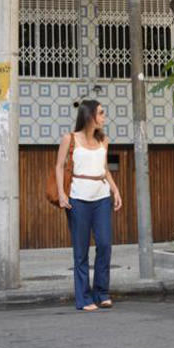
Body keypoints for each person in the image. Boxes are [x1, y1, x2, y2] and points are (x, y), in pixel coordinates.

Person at [56, 100, 122, 312]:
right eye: (101, 113)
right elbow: (59, 166)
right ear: (90, 115)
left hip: (101, 198)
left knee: (104, 245)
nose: (104, 117)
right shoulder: (70, 139)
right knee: (81, 250)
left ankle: (101, 293)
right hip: (78, 199)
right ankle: (84, 298)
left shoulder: (104, 140)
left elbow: (105, 170)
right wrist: (61, 193)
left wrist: (116, 190)